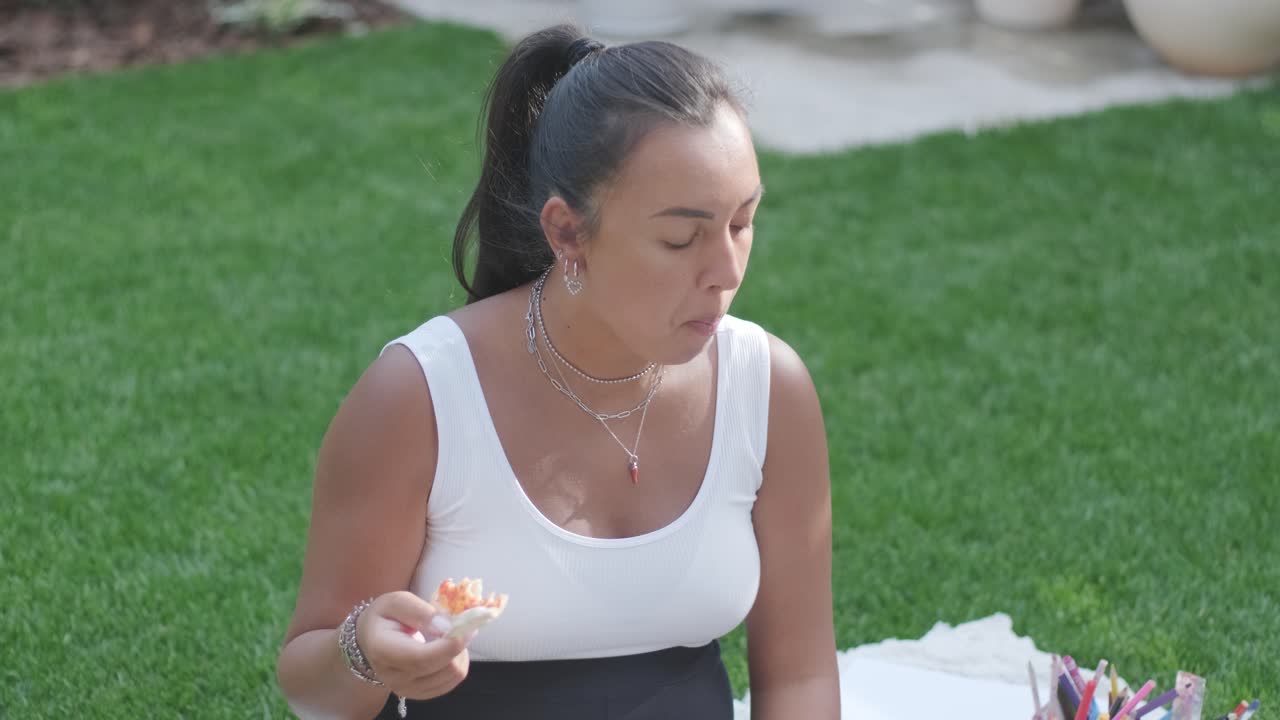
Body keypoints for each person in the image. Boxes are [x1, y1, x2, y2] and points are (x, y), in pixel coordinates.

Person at [276, 23, 839, 720]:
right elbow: (310, 687)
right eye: (680, 237)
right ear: (568, 232)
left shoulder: (767, 388)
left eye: (743, 223)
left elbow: (802, 681)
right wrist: (362, 648)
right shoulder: (420, 397)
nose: (725, 272)